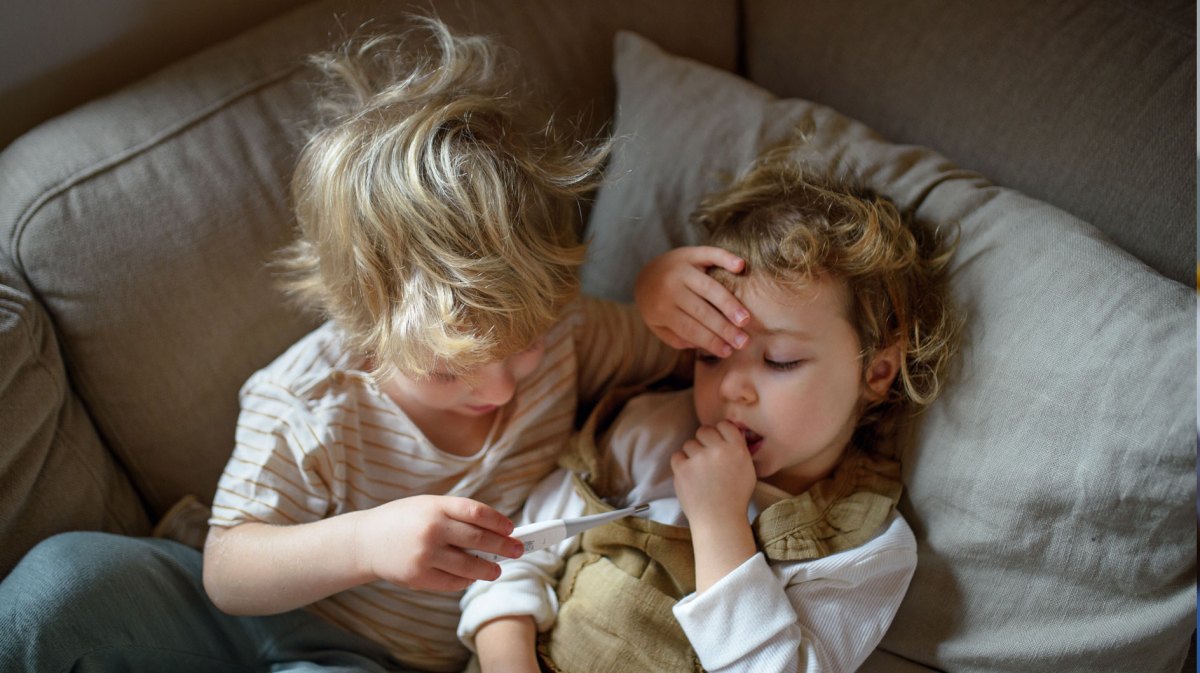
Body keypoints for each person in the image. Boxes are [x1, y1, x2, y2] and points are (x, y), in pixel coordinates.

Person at [0, 17, 748, 673]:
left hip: (373, 659)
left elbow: (694, 362)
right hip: (233, 608)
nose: (498, 388)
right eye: (449, 367)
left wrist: (657, 294)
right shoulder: (308, 399)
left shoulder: (570, 333)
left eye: (523, 344)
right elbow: (228, 572)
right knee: (57, 586)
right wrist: (365, 542)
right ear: (366, 324)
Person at [459, 145, 962, 673]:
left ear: (876, 372)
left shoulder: (864, 546)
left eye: (779, 360)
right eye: (709, 356)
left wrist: (720, 520)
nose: (731, 391)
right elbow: (511, 556)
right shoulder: (652, 432)